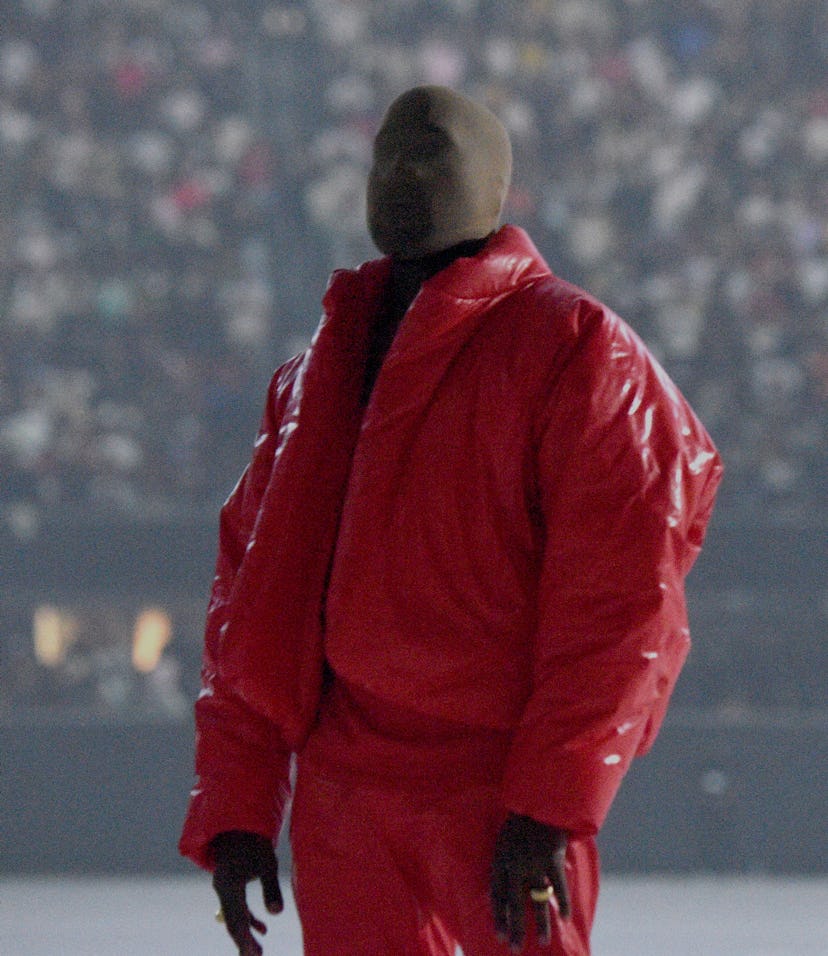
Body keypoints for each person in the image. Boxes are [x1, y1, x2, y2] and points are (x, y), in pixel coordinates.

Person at [179, 85, 722, 956]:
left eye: (430, 158)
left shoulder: (579, 350)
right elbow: (252, 597)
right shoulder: (316, 373)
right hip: (345, 779)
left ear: (494, 184)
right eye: (386, 156)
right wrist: (239, 805)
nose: (401, 176)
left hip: (493, 776)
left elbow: (624, 604)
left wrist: (548, 801)